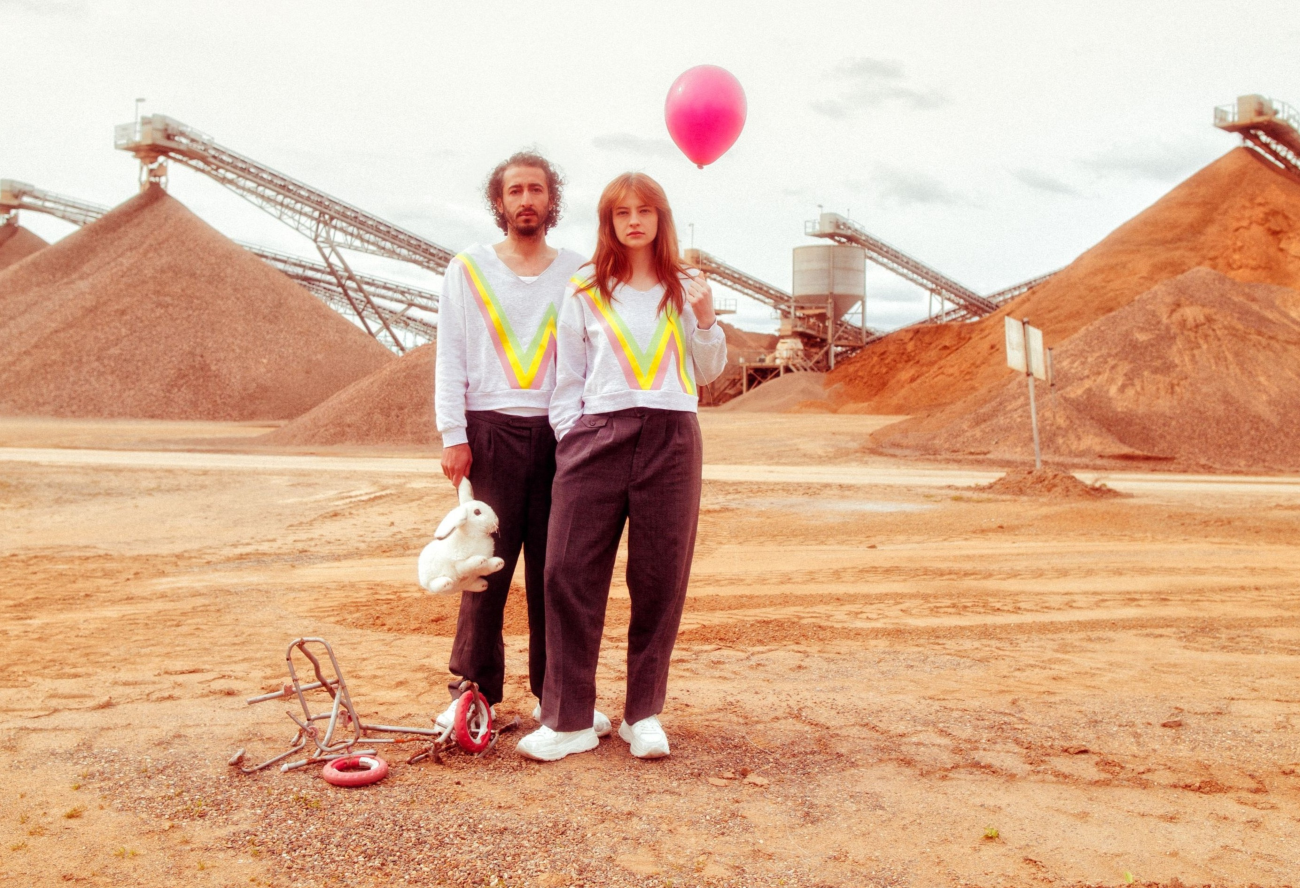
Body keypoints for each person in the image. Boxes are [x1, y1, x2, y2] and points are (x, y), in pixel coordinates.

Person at [516, 172, 727, 762]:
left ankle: (643, 715)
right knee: (566, 570)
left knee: (660, 579)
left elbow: (710, 372)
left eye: (645, 210)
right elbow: (567, 377)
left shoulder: (687, 286)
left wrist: (706, 318)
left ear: (661, 217)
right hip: (597, 435)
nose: (634, 221)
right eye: (621, 212)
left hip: (672, 436)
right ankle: (569, 721)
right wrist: (573, 437)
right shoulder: (585, 287)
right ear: (608, 222)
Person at [433, 151, 610, 737]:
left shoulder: (581, 271)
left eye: (536, 189)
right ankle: (472, 692)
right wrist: (454, 434)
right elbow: (450, 354)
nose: (526, 200)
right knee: (483, 569)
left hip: (564, 435)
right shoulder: (467, 268)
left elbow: (597, 353)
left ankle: (555, 697)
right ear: (500, 201)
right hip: (489, 431)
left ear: (551, 200)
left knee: (557, 572)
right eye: (515, 191)